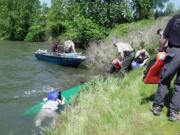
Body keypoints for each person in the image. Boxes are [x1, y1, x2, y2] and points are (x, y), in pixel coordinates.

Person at [151, 14, 180, 121]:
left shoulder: (175, 18)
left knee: (165, 80)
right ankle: (173, 112)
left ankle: (157, 107)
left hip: (174, 52)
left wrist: (161, 49)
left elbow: (163, 38)